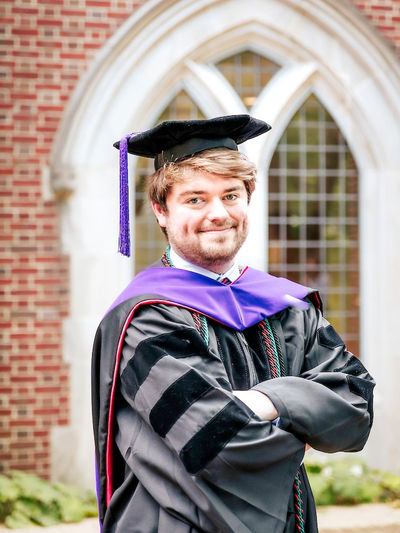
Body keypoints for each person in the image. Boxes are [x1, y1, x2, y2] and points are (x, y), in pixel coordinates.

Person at [91, 115, 375, 533]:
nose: (218, 213)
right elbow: (217, 441)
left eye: (230, 195)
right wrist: (303, 408)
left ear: (248, 199)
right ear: (161, 211)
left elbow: (355, 410)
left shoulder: (287, 307)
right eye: (195, 200)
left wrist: (266, 400)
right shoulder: (146, 318)